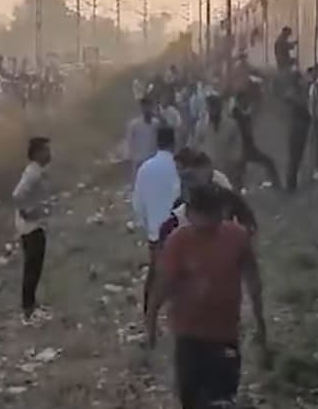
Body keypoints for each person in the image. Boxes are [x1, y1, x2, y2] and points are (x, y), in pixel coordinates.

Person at [146, 184, 269, 409]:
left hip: (225, 333)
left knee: (222, 399)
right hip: (189, 337)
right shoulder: (178, 242)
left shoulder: (236, 237)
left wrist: (261, 324)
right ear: (190, 214)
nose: (206, 223)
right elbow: (162, 286)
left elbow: (253, 280)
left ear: (221, 212)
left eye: (212, 216)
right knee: (192, 401)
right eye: (202, 216)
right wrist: (151, 325)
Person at [133, 126, 182, 314]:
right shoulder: (177, 167)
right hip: (179, 231)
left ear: (157, 142)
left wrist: (148, 228)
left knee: (155, 276)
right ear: (173, 142)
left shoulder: (145, 168)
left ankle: (149, 317)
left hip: (156, 234)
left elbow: (138, 203)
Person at [13, 136, 53, 324]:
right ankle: (27, 309)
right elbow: (18, 195)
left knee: (35, 268)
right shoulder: (33, 173)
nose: (49, 153)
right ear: (37, 153)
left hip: (35, 225)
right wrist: (27, 212)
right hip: (30, 227)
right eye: (46, 150)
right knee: (32, 268)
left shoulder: (38, 172)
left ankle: (31, 305)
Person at [231, 92, 281, 189]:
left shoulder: (241, 112)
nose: (245, 102)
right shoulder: (236, 113)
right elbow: (243, 128)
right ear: (239, 101)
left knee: (241, 170)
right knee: (240, 169)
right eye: (243, 100)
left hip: (247, 146)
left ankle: (239, 188)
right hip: (242, 147)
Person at [192, 94, 241, 174]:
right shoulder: (201, 125)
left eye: (215, 105)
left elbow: (236, 146)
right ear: (207, 107)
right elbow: (196, 144)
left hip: (226, 167)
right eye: (210, 106)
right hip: (207, 167)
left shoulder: (231, 124)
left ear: (220, 106)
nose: (213, 109)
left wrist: (234, 163)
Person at [125, 97, 160, 175]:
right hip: (139, 160)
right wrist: (130, 157)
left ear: (152, 107)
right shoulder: (134, 124)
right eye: (144, 106)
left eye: (149, 106)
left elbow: (160, 141)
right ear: (141, 108)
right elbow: (129, 142)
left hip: (153, 159)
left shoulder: (157, 124)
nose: (147, 109)